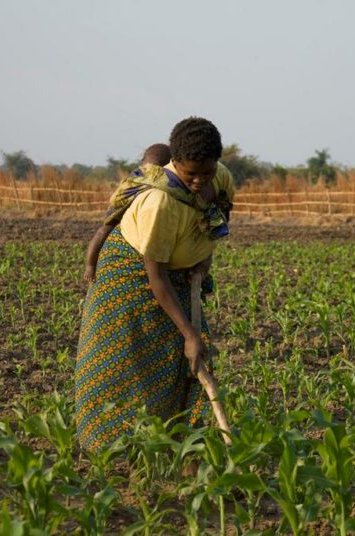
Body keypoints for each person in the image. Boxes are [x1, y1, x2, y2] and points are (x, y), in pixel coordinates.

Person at [75, 117, 235, 450]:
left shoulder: (220, 179)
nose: (199, 181)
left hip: (180, 273)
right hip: (130, 275)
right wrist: (189, 334)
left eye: (206, 172)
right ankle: (112, 449)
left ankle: (180, 444)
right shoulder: (159, 203)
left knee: (185, 360)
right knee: (123, 360)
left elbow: (218, 215)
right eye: (190, 173)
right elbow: (156, 276)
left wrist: (202, 260)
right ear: (174, 163)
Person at [83, 143, 172, 283]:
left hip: (127, 208)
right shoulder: (163, 177)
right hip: (127, 208)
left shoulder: (139, 174)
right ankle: (90, 265)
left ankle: (90, 265)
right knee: (104, 231)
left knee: (103, 231)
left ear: (143, 160)